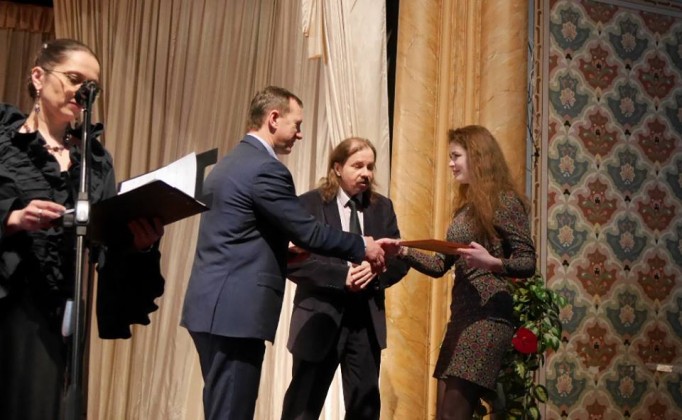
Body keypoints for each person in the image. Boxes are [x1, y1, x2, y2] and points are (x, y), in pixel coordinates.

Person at [181, 86, 391, 420]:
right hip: (236, 313)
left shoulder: (228, 163)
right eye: (297, 124)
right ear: (274, 118)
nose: (300, 133)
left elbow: (240, 237)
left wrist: (283, 254)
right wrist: (361, 245)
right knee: (232, 411)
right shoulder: (266, 168)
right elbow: (307, 232)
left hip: (210, 307)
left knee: (222, 408)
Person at [0, 39, 165, 420]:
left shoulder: (94, 161)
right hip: (9, 301)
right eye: (74, 79)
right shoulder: (5, 144)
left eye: (91, 86)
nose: (83, 92)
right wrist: (12, 219)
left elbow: (107, 241)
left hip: (65, 306)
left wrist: (139, 245)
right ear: (38, 77)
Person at [397, 125, 536, 419]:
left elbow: (527, 261)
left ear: (477, 156)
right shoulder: (465, 209)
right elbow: (440, 265)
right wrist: (403, 251)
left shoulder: (504, 201)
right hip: (461, 319)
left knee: (452, 415)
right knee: (445, 415)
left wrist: (492, 262)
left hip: (487, 319)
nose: (450, 164)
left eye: (455, 156)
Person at [281, 137, 410, 420]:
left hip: (365, 323)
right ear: (338, 168)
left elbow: (400, 259)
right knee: (302, 408)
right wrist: (342, 276)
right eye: (358, 166)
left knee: (365, 411)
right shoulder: (309, 204)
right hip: (320, 318)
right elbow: (293, 262)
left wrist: (376, 270)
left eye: (370, 167)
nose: (366, 173)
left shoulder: (382, 207)